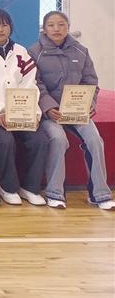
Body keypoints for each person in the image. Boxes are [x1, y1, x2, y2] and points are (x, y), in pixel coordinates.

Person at [29, 11, 114, 210]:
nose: (56, 29)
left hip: (76, 112)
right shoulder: (34, 52)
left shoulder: (81, 51)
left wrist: (89, 104)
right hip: (50, 114)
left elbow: (90, 81)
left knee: (95, 140)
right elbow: (35, 83)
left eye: (61, 24)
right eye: (51, 25)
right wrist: (49, 107)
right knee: (58, 139)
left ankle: (99, 194)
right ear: (44, 29)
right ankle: (55, 193)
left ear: (68, 27)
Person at [0, 9, 49, 206]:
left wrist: (32, 112)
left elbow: (30, 84)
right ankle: (8, 187)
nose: (0, 29)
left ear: (11, 27)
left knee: (39, 139)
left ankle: (30, 187)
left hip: (21, 113)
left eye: (4, 25)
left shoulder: (21, 51)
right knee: (5, 140)